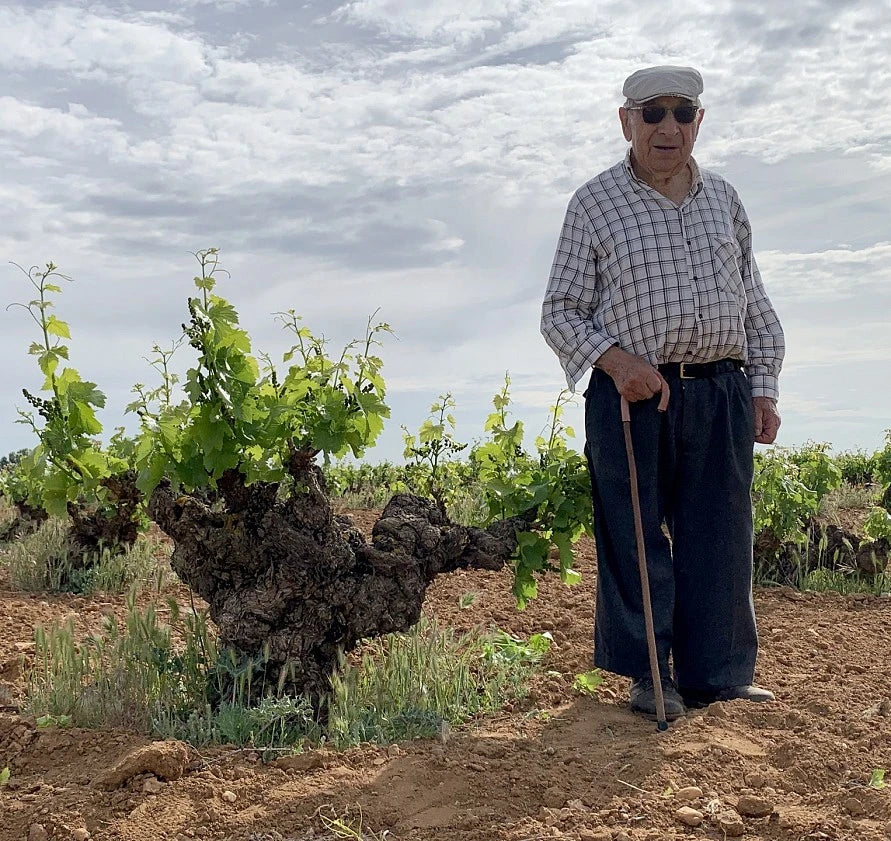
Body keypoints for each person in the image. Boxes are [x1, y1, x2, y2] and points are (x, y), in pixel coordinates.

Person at [540, 65, 785, 720]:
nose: (667, 126)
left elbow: (753, 305)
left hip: (719, 390)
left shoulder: (724, 200)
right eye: (652, 113)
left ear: (698, 121)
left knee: (720, 536)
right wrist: (617, 363)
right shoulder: (593, 204)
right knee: (635, 536)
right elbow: (559, 312)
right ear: (626, 121)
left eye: (682, 112)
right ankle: (651, 677)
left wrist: (761, 387)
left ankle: (719, 677)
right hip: (632, 396)